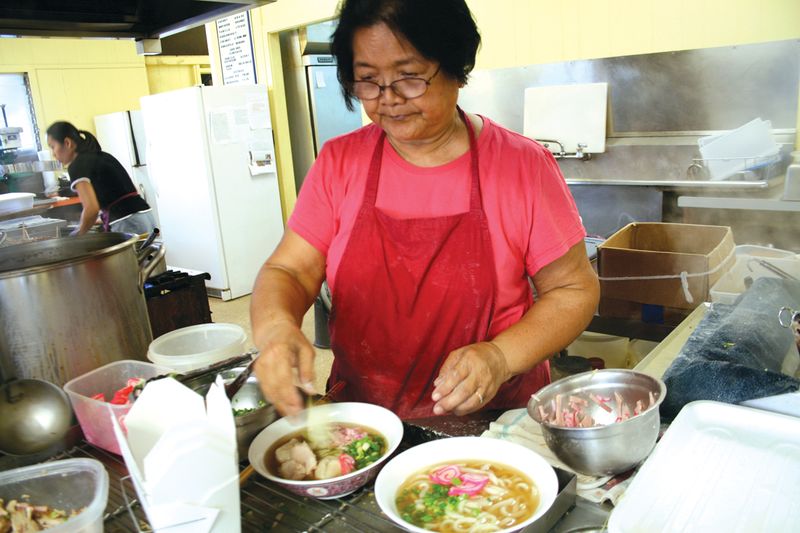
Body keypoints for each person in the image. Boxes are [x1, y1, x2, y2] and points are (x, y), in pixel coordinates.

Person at [251, 0, 600, 419]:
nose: (389, 99)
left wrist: (500, 357)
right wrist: (276, 328)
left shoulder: (521, 166)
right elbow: (290, 270)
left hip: (492, 424)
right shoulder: (339, 163)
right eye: (368, 81)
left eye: (409, 77)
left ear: (455, 67)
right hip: (364, 421)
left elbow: (573, 291)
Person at [46, 121, 156, 236]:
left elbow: (91, 209)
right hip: (145, 215)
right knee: (149, 254)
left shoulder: (77, 166)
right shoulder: (102, 156)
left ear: (67, 143)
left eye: (53, 147)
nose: (53, 154)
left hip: (128, 222)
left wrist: (77, 235)